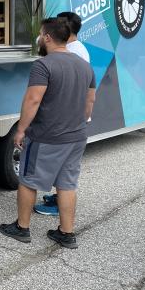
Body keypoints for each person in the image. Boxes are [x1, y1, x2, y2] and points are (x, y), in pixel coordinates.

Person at [0, 17, 96, 250]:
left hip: (46, 136)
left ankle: (22, 228)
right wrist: (77, 121)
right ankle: (66, 233)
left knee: (28, 180)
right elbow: (90, 101)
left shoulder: (44, 65)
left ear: (48, 38)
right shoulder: (85, 65)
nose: (40, 38)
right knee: (67, 184)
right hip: (76, 136)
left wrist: (21, 129)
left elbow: (33, 99)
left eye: (41, 35)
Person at [34, 11, 91, 216]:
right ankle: (65, 223)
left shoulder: (73, 52)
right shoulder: (76, 50)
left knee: (58, 173)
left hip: (65, 121)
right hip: (75, 122)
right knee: (66, 174)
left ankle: (56, 206)